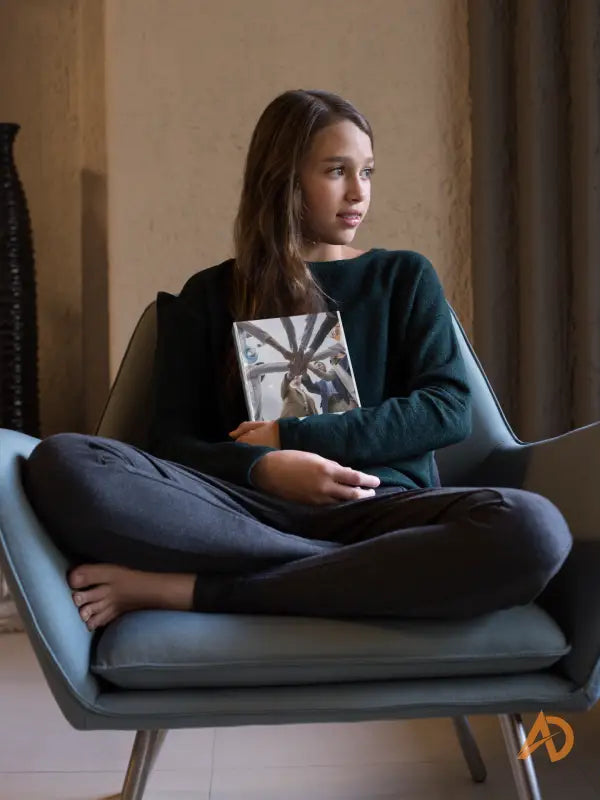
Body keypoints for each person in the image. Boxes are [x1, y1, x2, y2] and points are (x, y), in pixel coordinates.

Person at [23, 89, 572, 633]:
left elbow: (447, 409)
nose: (359, 192)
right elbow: (171, 443)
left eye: (368, 172)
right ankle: (335, 572)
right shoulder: (210, 295)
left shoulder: (402, 277)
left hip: (380, 514)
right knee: (64, 463)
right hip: (244, 513)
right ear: (283, 180)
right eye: (337, 171)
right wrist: (262, 468)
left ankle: (198, 590)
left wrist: (293, 440)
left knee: (535, 532)